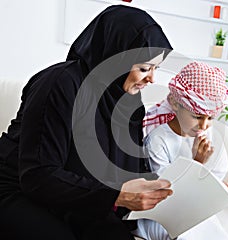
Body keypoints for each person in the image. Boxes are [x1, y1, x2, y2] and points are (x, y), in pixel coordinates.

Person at [0, 5, 174, 240]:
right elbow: (37, 174)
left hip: (79, 197)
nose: (152, 79)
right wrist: (116, 196)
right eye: (144, 68)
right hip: (18, 189)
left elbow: (131, 168)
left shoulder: (129, 104)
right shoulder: (60, 83)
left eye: (156, 69)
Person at [133, 61, 228, 239]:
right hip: (163, 215)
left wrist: (220, 190)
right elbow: (169, 196)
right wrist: (197, 163)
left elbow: (217, 176)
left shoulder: (211, 135)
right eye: (196, 116)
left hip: (196, 211)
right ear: (175, 103)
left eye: (210, 117)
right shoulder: (158, 139)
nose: (203, 125)